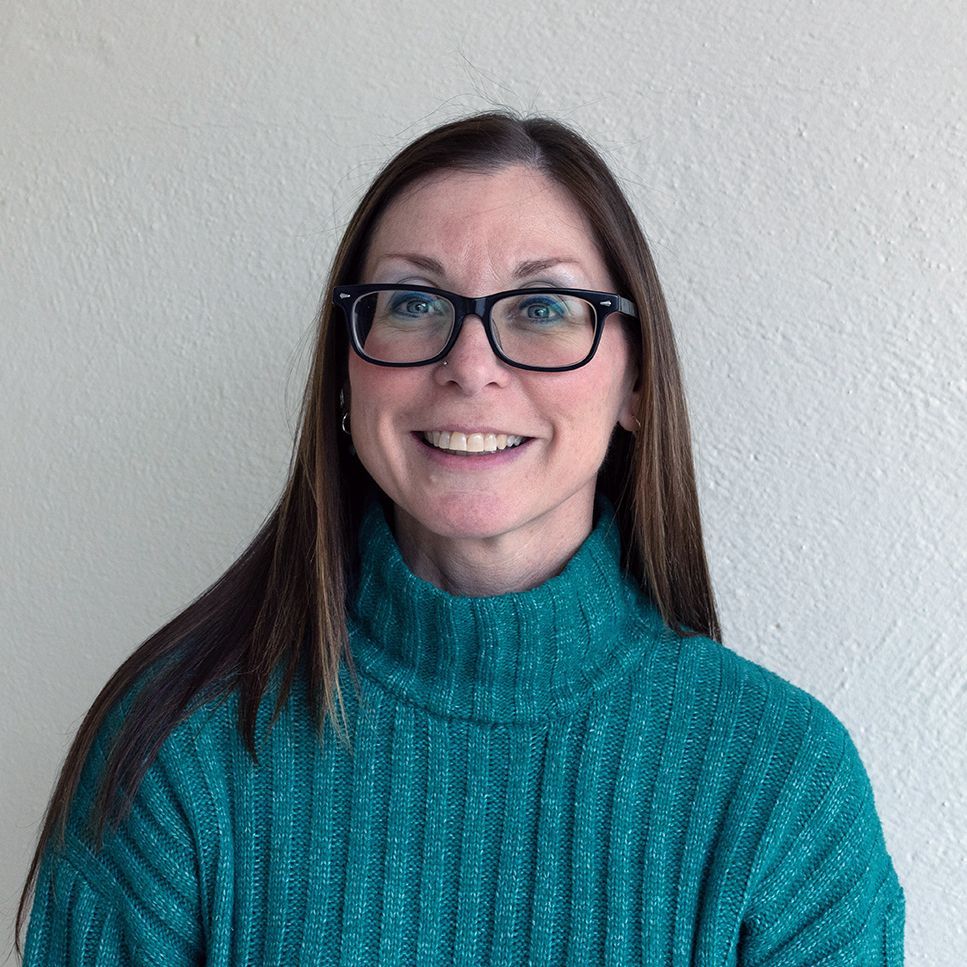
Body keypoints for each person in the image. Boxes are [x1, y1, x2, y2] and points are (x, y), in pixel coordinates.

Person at [17, 111, 905, 964]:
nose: (470, 365)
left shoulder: (784, 786)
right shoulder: (176, 749)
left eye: (544, 308)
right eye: (412, 301)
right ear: (346, 374)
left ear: (636, 382)